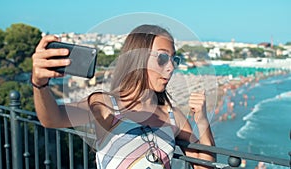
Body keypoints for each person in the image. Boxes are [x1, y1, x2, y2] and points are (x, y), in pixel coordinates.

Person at [31, 24, 215, 169]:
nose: (170, 67)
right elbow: (53, 119)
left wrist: (202, 120)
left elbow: (204, 166)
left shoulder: (173, 116)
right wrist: (40, 84)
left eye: (173, 59)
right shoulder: (105, 105)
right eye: (162, 58)